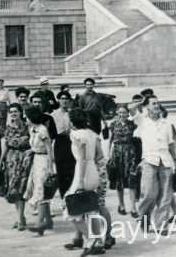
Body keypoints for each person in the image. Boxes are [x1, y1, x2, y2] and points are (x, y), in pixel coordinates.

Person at [133, 95, 176, 231]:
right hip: (149, 160)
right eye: (153, 103)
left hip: (165, 161)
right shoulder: (142, 121)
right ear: (147, 106)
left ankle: (161, 225)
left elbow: (171, 144)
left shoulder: (167, 123)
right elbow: (130, 109)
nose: (157, 106)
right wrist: (141, 102)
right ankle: (143, 217)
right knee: (148, 194)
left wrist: (175, 161)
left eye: (158, 103)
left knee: (166, 195)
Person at [63, 108, 104, 255]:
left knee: (70, 208)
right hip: (93, 170)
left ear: (73, 120)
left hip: (82, 172)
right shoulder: (92, 133)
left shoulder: (75, 135)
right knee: (92, 209)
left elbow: (81, 159)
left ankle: (90, 239)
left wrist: (80, 180)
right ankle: (99, 243)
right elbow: (100, 155)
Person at [0, 103, 32, 231]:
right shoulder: (7, 128)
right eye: (11, 111)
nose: (13, 113)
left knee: (20, 188)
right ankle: (20, 217)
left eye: (16, 111)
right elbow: (5, 145)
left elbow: (32, 142)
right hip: (10, 160)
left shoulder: (27, 126)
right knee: (12, 188)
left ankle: (20, 219)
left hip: (24, 159)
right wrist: (0, 162)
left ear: (20, 112)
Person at [24, 105, 55, 235]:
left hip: (43, 161)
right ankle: (47, 220)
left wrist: (50, 167)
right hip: (36, 160)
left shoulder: (42, 130)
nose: (25, 119)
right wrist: (31, 151)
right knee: (39, 188)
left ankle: (39, 222)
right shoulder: (33, 129)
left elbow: (49, 148)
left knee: (41, 189)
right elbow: (36, 145)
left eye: (27, 117)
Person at [107, 104, 138, 217]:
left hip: (130, 153)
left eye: (124, 112)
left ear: (127, 113)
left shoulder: (132, 124)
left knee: (131, 180)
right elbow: (111, 140)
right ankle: (121, 205)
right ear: (117, 113)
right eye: (120, 112)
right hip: (117, 153)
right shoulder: (113, 124)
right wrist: (109, 155)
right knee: (119, 180)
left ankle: (134, 207)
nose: (122, 115)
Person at [53, 90, 75, 199]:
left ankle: (72, 196)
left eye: (66, 99)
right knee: (61, 170)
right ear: (58, 100)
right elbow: (56, 131)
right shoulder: (54, 114)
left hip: (72, 142)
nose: (64, 101)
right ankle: (63, 197)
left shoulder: (73, 113)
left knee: (72, 169)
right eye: (62, 99)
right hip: (60, 143)